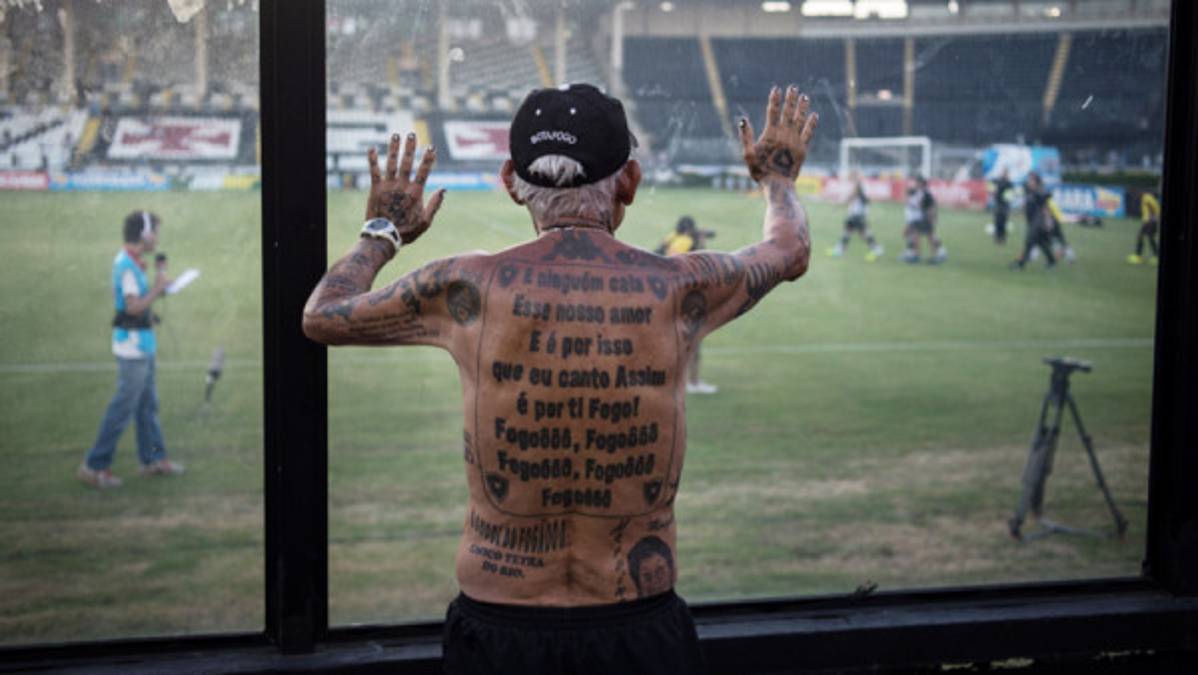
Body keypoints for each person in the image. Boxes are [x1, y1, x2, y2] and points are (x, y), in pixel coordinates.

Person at [302, 83, 816, 675]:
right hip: (636, 625)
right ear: (629, 181)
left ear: (510, 180)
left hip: (499, 626)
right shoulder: (680, 287)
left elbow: (322, 315)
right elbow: (789, 248)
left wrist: (383, 230)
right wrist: (776, 176)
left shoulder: (464, 286)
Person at [78, 211, 185, 488]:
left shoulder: (133, 263)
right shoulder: (126, 265)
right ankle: (94, 466)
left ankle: (153, 460)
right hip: (132, 349)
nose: (157, 239)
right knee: (122, 409)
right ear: (145, 235)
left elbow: (138, 303)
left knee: (147, 405)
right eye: (156, 232)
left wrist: (159, 290)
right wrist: (158, 289)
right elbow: (132, 306)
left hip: (141, 346)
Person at [656, 216, 719, 394]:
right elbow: (704, 264)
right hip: (686, 300)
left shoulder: (671, 238)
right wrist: (701, 243)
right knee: (694, 344)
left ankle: (670, 379)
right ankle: (693, 383)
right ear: (691, 229)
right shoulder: (689, 242)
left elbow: (657, 254)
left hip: (666, 296)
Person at [827, 172, 883, 261]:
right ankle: (840, 249)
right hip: (856, 214)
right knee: (849, 231)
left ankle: (876, 249)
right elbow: (853, 198)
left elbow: (853, 197)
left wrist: (838, 205)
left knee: (863, 233)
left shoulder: (860, 187)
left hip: (857, 214)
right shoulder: (860, 187)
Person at [1010, 171, 1057, 270]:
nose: (1029, 181)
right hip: (1031, 220)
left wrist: (1048, 221)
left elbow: (1045, 204)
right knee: (1041, 243)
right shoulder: (1029, 191)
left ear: (1036, 181)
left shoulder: (1040, 192)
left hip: (1038, 220)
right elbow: (1026, 204)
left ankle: (1021, 264)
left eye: (1031, 180)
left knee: (1029, 241)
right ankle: (1051, 260)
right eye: (1029, 179)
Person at [898, 175, 946, 264]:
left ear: (920, 183)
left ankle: (938, 254)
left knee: (929, 236)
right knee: (915, 235)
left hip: (924, 218)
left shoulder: (926, 194)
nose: (914, 184)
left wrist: (931, 218)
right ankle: (915, 254)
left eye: (916, 182)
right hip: (918, 218)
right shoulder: (918, 192)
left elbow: (930, 207)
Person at [1128, 189, 1160, 265]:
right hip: (1153, 221)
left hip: (1149, 221)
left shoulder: (1146, 197)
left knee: (1140, 236)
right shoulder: (1148, 197)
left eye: (1135, 194)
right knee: (1150, 237)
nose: (1136, 196)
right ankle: (1156, 256)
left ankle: (1137, 256)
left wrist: (1151, 218)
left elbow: (1151, 207)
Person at [991, 169, 1013, 244]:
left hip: (1005, 205)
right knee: (997, 221)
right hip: (998, 204)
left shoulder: (1009, 183)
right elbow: (991, 183)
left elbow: (1010, 195)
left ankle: (1002, 238)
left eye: (1005, 173)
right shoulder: (998, 181)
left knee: (1003, 221)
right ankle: (997, 237)